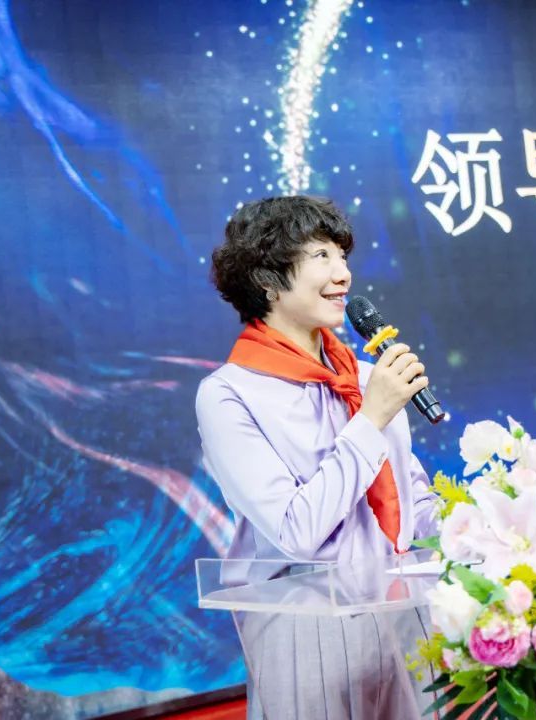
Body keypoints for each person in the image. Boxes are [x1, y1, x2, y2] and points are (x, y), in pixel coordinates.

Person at [196, 195, 438, 719]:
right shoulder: (229, 394)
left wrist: (488, 523)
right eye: (320, 256)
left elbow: (412, 503)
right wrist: (370, 419)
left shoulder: (369, 379)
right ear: (267, 279)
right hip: (304, 629)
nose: (343, 274)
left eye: (342, 256)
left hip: (402, 614)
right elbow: (296, 531)